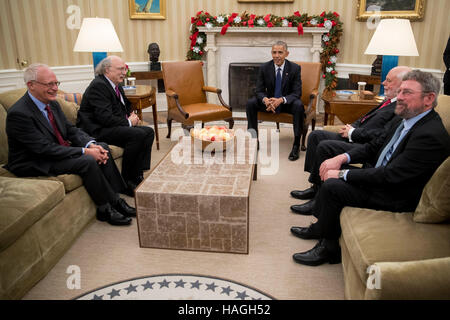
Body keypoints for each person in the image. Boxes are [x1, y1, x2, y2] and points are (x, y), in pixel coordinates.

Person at [290, 70, 450, 266]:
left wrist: (342, 173)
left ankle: (329, 249)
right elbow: (374, 146)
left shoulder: (429, 135)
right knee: (332, 167)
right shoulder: (405, 119)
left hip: (395, 195)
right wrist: (341, 157)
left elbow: (391, 176)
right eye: (399, 92)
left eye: (406, 93)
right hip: (383, 177)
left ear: (429, 98)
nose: (399, 97)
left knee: (334, 186)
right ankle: (321, 228)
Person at [5, 64, 135, 226]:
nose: (54, 89)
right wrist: (84, 152)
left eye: (56, 83)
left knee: (102, 146)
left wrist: (91, 144)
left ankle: (116, 200)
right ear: (31, 85)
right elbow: (43, 149)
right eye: (49, 84)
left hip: (54, 150)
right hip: (33, 160)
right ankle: (105, 208)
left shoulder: (52, 103)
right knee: (87, 161)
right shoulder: (19, 114)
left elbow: (70, 130)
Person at [290, 66, 411, 215]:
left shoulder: (400, 107)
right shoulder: (388, 100)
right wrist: (351, 127)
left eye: (389, 81)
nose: (383, 83)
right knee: (315, 136)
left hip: (363, 144)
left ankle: (318, 199)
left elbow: (382, 134)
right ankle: (315, 186)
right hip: (354, 136)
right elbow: (365, 118)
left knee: (324, 146)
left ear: (402, 84)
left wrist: (354, 132)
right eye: (385, 79)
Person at [77, 56, 154, 194]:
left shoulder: (115, 85)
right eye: (120, 69)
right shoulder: (98, 86)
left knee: (148, 132)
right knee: (137, 135)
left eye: (124, 69)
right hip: (97, 130)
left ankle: (137, 175)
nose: (124, 72)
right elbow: (104, 118)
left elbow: (126, 106)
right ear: (107, 70)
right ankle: (126, 181)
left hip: (110, 126)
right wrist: (129, 122)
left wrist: (132, 115)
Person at [246, 41, 304, 161]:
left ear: (286, 54)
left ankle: (296, 144)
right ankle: (254, 140)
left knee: (298, 105)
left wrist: (281, 100)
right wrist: (265, 99)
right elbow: (258, 90)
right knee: (251, 103)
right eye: (274, 52)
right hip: (269, 103)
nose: (277, 56)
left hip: (285, 104)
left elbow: (297, 93)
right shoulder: (264, 68)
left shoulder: (295, 68)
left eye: (280, 52)